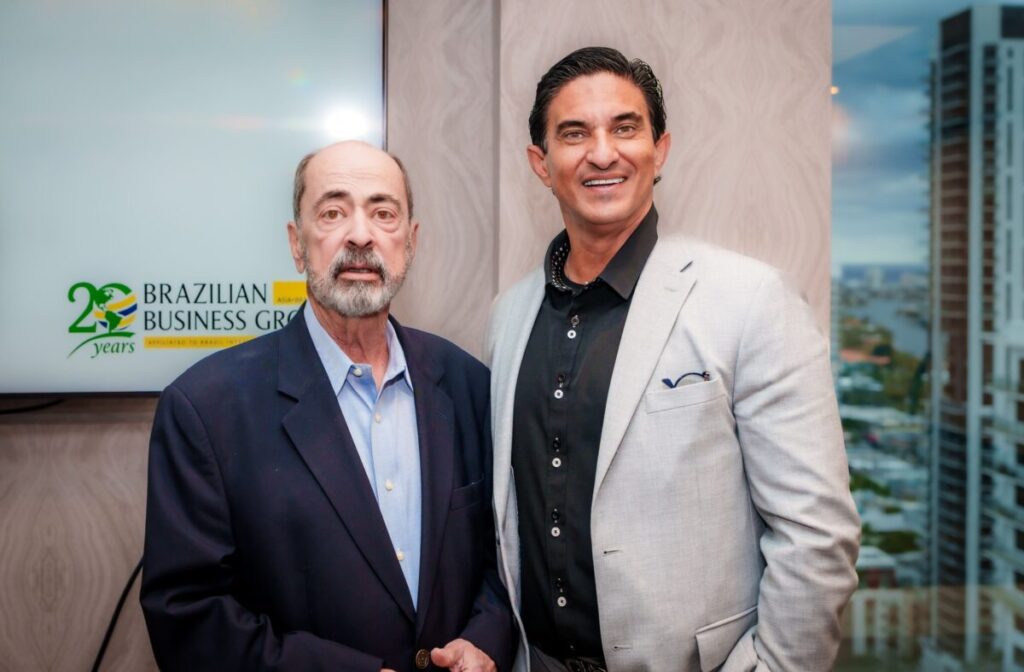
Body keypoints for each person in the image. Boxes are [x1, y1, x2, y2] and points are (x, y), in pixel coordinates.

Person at [485, 47, 860, 672]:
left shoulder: (750, 300)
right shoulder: (508, 317)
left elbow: (817, 534)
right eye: (574, 133)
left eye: (624, 128)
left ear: (659, 151)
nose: (602, 153)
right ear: (540, 163)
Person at [142, 141, 516, 672]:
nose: (361, 235)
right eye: (334, 212)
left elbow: (504, 559)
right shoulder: (205, 409)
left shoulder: (469, 385)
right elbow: (189, 618)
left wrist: (484, 639)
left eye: (383, 213)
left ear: (410, 242)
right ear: (297, 244)